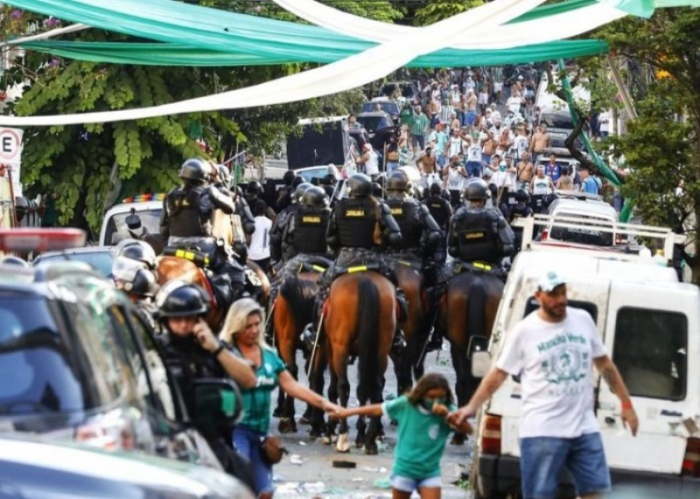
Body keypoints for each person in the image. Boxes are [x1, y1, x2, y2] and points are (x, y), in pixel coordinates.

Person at [449, 271, 639, 499]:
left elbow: (605, 365)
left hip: (584, 429)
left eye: (562, 293)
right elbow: (497, 375)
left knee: (596, 492)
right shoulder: (525, 331)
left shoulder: (583, 321)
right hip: (542, 432)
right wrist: (471, 407)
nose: (560, 300)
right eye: (553, 294)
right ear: (538, 296)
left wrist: (626, 404)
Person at [221, 299, 340, 499]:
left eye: (257, 324)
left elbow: (291, 385)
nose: (254, 330)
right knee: (241, 487)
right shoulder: (226, 355)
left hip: (260, 433)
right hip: (235, 431)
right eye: (247, 326)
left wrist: (324, 403)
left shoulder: (268, 355)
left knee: (266, 492)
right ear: (235, 327)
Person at [155, 281, 257, 491]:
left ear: (200, 319)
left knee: (244, 479)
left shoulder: (214, 349)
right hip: (168, 440)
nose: (183, 325)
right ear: (166, 320)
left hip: (212, 439)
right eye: (177, 319)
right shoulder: (156, 350)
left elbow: (249, 379)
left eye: (189, 319)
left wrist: (215, 348)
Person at [303, 173, 405, 351]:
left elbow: (330, 238)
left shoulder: (340, 206)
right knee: (397, 292)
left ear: (350, 189)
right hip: (374, 260)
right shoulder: (379, 207)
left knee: (321, 290)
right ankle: (396, 336)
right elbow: (397, 235)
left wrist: (339, 247)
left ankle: (315, 331)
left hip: (345, 260)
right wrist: (382, 239)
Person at [332, 373, 472, 499]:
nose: (436, 401)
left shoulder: (448, 410)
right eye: (431, 397)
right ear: (421, 394)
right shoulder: (406, 404)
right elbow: (378, 409)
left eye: (440, 397)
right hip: (404, 469)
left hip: (430, 472)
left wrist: (447, 416)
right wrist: (347, 413)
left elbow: (468, 429)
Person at [159, 158, 246, 309]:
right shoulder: (207, 193)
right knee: (237, 271)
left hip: (172, 247)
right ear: (204, 177)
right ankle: (231, 312)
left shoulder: (170, 195)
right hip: (203, 247)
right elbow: (230, 208)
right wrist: (215, 190)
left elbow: (163, 228)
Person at [112, 256, 159, 331]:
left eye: (121, 282)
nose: (118, 284)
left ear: (129, 286)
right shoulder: (132, 307)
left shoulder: (140, 313)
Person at [422, 183, 453, 267]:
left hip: (428, 233)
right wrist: (449, 233)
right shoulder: (445, 203)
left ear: (430, 191)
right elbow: (450, 219)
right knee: (441, 255)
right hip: (441, 232)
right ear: (440, 192)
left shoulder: (425, 202)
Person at [248, 199, 273, 274]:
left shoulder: (252, 222)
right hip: (266, 255)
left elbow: (248, 240)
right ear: (265, 210)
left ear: (255, 209)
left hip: (252, 255)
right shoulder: (270, 222)